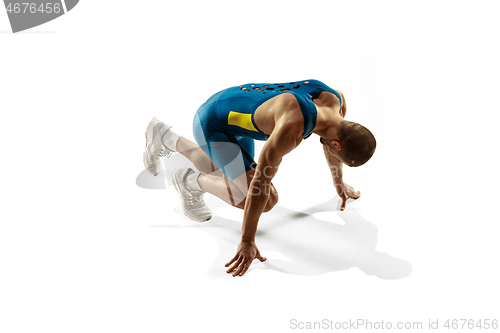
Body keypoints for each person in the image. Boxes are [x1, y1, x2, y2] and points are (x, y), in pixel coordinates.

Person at [143, 79, 376, 277]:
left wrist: (338, 183)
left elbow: (330, 144)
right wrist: (247, 241)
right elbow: (260, 184)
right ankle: (190, 182)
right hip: (213, 123)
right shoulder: (291, 128)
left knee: (232, 174)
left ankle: (166, 136)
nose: (334, 153)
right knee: (266, 200)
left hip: (233, 111)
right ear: (337, 145)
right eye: (339, 154)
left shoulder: (336, 103)